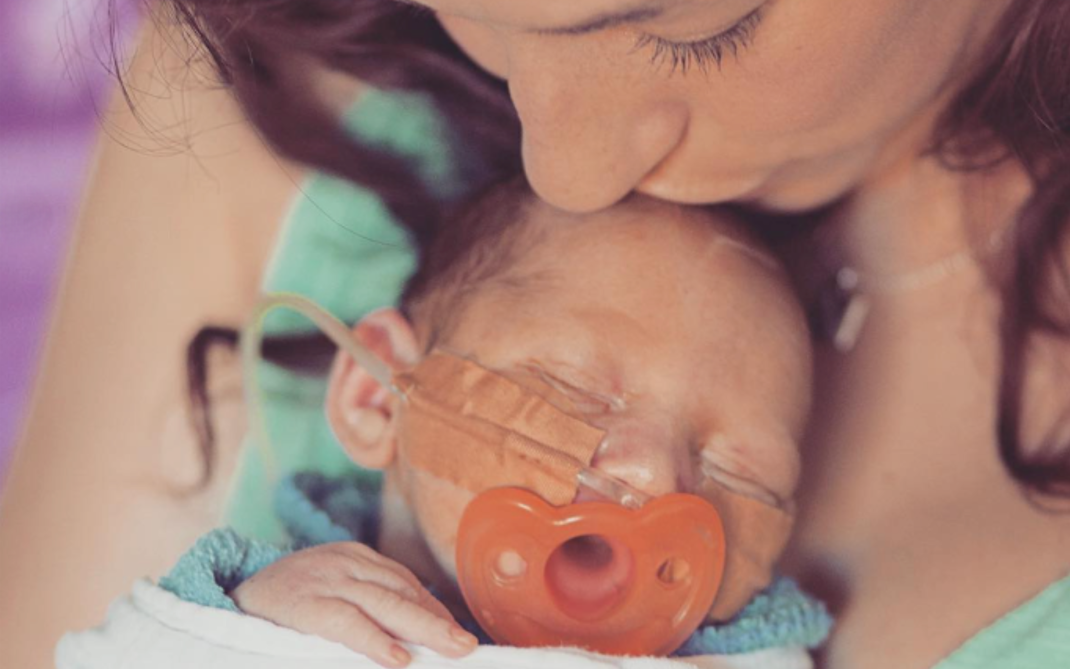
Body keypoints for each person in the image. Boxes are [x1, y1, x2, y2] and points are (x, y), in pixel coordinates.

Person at [3, 0, 1069, 667]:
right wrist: (244, 620)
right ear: (374, 390)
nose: (563, 170)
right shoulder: (268, 84)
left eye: (693, 23)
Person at [58, 180, 829, 668]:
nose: (656, 476)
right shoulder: (285, 607)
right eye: (571, 390)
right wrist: (245, 621)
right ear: (375, 394)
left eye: (742, 472)